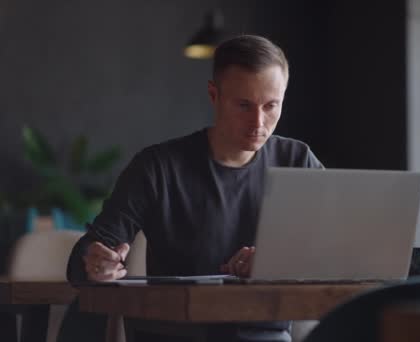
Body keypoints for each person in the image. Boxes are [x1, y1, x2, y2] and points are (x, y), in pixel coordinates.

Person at [65, 34, 324, 341]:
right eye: (243, 105)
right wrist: (94, 263)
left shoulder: (296, 159)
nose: (258, 122)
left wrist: (277, 260)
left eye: (271, 106)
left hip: (264, 334)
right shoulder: (157, 166)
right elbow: (89, 253)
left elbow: (337, 246)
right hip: (173, 334)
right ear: (214, 95)